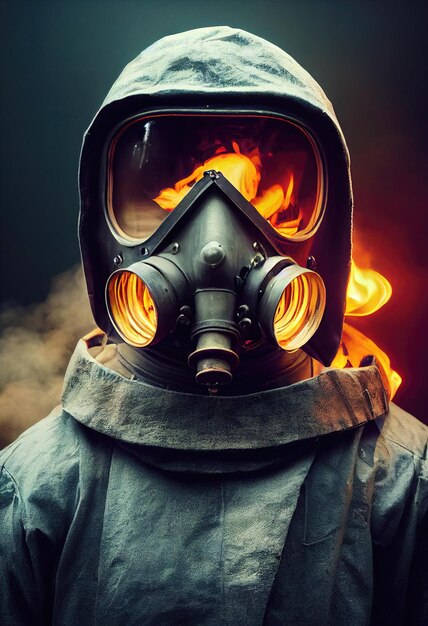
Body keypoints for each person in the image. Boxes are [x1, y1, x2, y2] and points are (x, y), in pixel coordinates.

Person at [0, 26, 426, 626]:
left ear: (326, 240)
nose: (213, 249)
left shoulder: (403, 484)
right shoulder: (36, 488)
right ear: (103, 232)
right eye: (166, 194)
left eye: (275, 199)